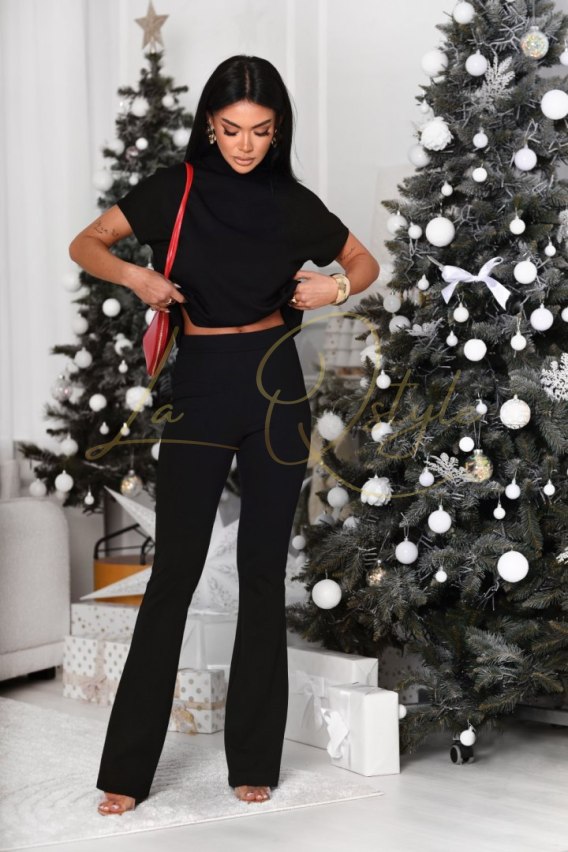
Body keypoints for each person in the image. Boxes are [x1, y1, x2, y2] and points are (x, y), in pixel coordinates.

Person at [68, 54, 379, 815]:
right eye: (234, 129)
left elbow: (363, 260)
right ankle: (126, 772)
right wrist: (137, 278)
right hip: (202, 384)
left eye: (261, 131)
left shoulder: (290, 201)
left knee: (262, 572)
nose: (246, 144)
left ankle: (254, 759)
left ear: (278, 131)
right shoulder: (173, 189)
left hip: (276, 384)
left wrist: (335, 285)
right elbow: (87, 243)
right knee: (173, 571)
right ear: (211, 123)